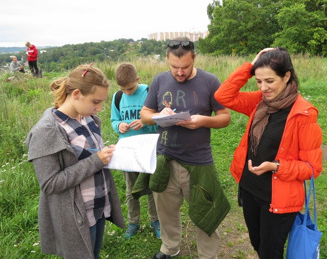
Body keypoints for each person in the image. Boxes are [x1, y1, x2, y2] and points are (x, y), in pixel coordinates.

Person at [214, 48, 323, 259]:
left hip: (278, 198)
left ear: (287, 76)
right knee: (257, 243)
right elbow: (223, 95)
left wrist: (277, 166)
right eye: (258, 81)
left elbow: (312, 168)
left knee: (269, 252)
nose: (263, 88)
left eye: (270, 81)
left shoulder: (304, 114)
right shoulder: (260, 102)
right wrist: (250, 66)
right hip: (250, 188)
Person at [140, 37, 232, 259]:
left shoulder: (210, 81)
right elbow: (144, 115)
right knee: (166, 210)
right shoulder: (159, 81)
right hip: (165, 158)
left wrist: (202, 120)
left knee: (206, 210)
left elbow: (225, 117)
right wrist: (157, 116)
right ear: (167, 60)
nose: (179, 72)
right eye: (174, 67)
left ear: (194, 58)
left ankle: (208, 255)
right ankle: (170, 247)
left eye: (185, 67)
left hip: (199, 161)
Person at [26, 64, 126, 259]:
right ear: (77, 94)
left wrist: (106, 154)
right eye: (95, 101)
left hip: (98, 206)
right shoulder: (46, 131)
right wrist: (96, 161)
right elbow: (49, 183)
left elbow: (91, 154)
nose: (99, 108)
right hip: (76, 217)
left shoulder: (88, 119)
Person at [110, 63, 160, 239]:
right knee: (131, 190)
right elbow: (114, 121)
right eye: (123, 89)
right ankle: (133, 222)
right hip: (127, 151)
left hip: (147, 148)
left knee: (152, 187)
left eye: (130, 88)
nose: (128, 92)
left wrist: (145, 122)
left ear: (137, 80)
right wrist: (119, 126)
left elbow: (159, 121)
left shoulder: (149, 93)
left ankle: (156, 220)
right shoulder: (117, 97)